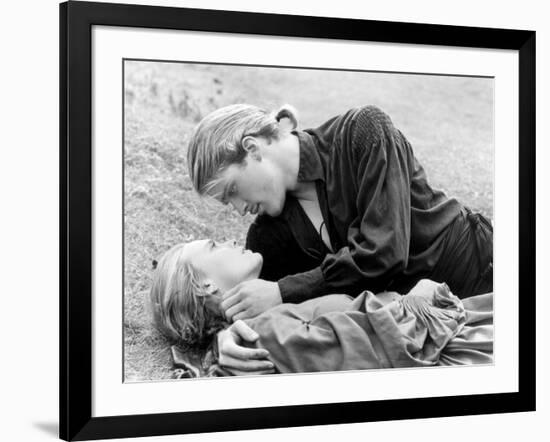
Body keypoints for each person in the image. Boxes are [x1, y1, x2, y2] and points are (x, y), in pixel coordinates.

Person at [186, 103, 493, 373]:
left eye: (232, 192)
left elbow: (383, 253)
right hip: (431, 334)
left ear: (252, 150)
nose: (239, 210)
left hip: (483, 273)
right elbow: (261, 312)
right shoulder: (268, 237)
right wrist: (224, 338)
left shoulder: (362, 133)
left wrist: (283, 290)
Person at [150, 239, 493, 375]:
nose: (229, 240)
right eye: (214, 245)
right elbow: (372, 352)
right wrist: (418, 302)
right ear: (203, 286)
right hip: (457, 350)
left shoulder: (270, 315)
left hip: (456, 332)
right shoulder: (264, 335)